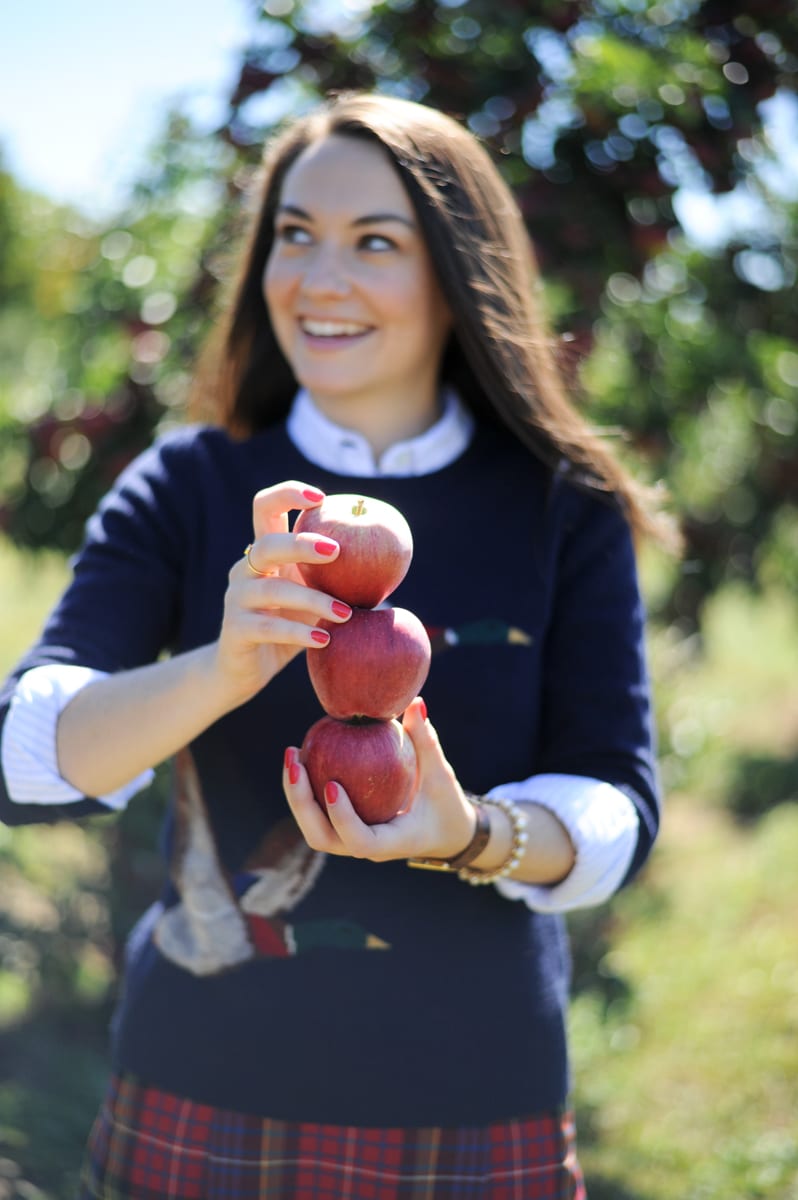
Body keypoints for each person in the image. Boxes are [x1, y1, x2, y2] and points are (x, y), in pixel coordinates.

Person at [0, 91, 672, 1198]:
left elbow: (615, 803)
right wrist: (219, 667)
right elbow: (29, 757)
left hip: (474, 1092)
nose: (318, 279)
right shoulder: (193, 485)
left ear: (457, 280)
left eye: (375, 243)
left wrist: (477, 833)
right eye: (294, 236)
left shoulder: (559, 506)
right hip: (200, 1086)